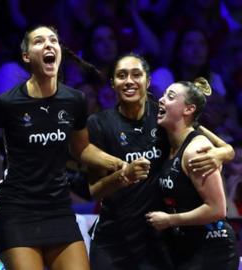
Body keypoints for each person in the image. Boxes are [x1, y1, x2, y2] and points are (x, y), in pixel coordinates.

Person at [0, 25, 121, 270]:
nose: (48, 45)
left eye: (53, 40)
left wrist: (118, 164)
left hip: (58, 209)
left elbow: (81, 149)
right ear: (26, 56)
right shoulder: (7, 103)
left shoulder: (74, 100)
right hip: (16, 210)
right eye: (39, 41)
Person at [86, 53, 234, 270]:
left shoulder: (163, 115)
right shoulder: (98, 123)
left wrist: (222, 153)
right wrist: (123, 176)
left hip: (155, 240)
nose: (129, 81)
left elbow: (207, 137)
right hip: (113, 237)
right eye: (121, 75)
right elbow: (94, 190)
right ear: (113, 84)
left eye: (136, 74)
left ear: (148, 81)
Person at [146, 78, 239, 269]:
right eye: (163, 95)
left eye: (170, 97)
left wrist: (169, 220)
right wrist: (226, 150)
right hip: (186, 245)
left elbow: (217, 210)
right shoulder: (171, 141)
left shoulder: (197, 150)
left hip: (212, 247)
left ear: (188, 109)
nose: (161, 100)